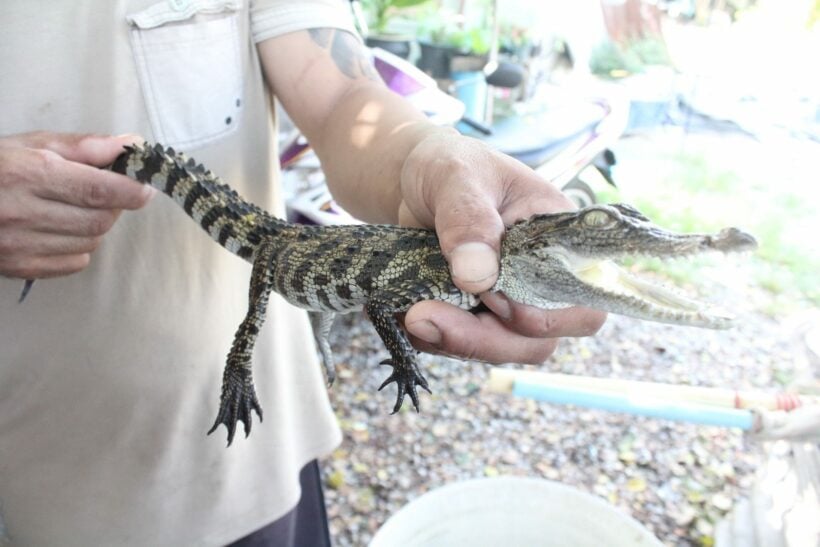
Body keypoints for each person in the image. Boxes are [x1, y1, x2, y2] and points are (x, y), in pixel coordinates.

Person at [0, 1, 605, 545]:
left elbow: (343, 98)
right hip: (54, 473)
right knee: (257, 309)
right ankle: (239, 371)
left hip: (270, 451)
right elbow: (381, 307)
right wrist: (401, 357)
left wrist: (432, 155)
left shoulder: (461, 260)